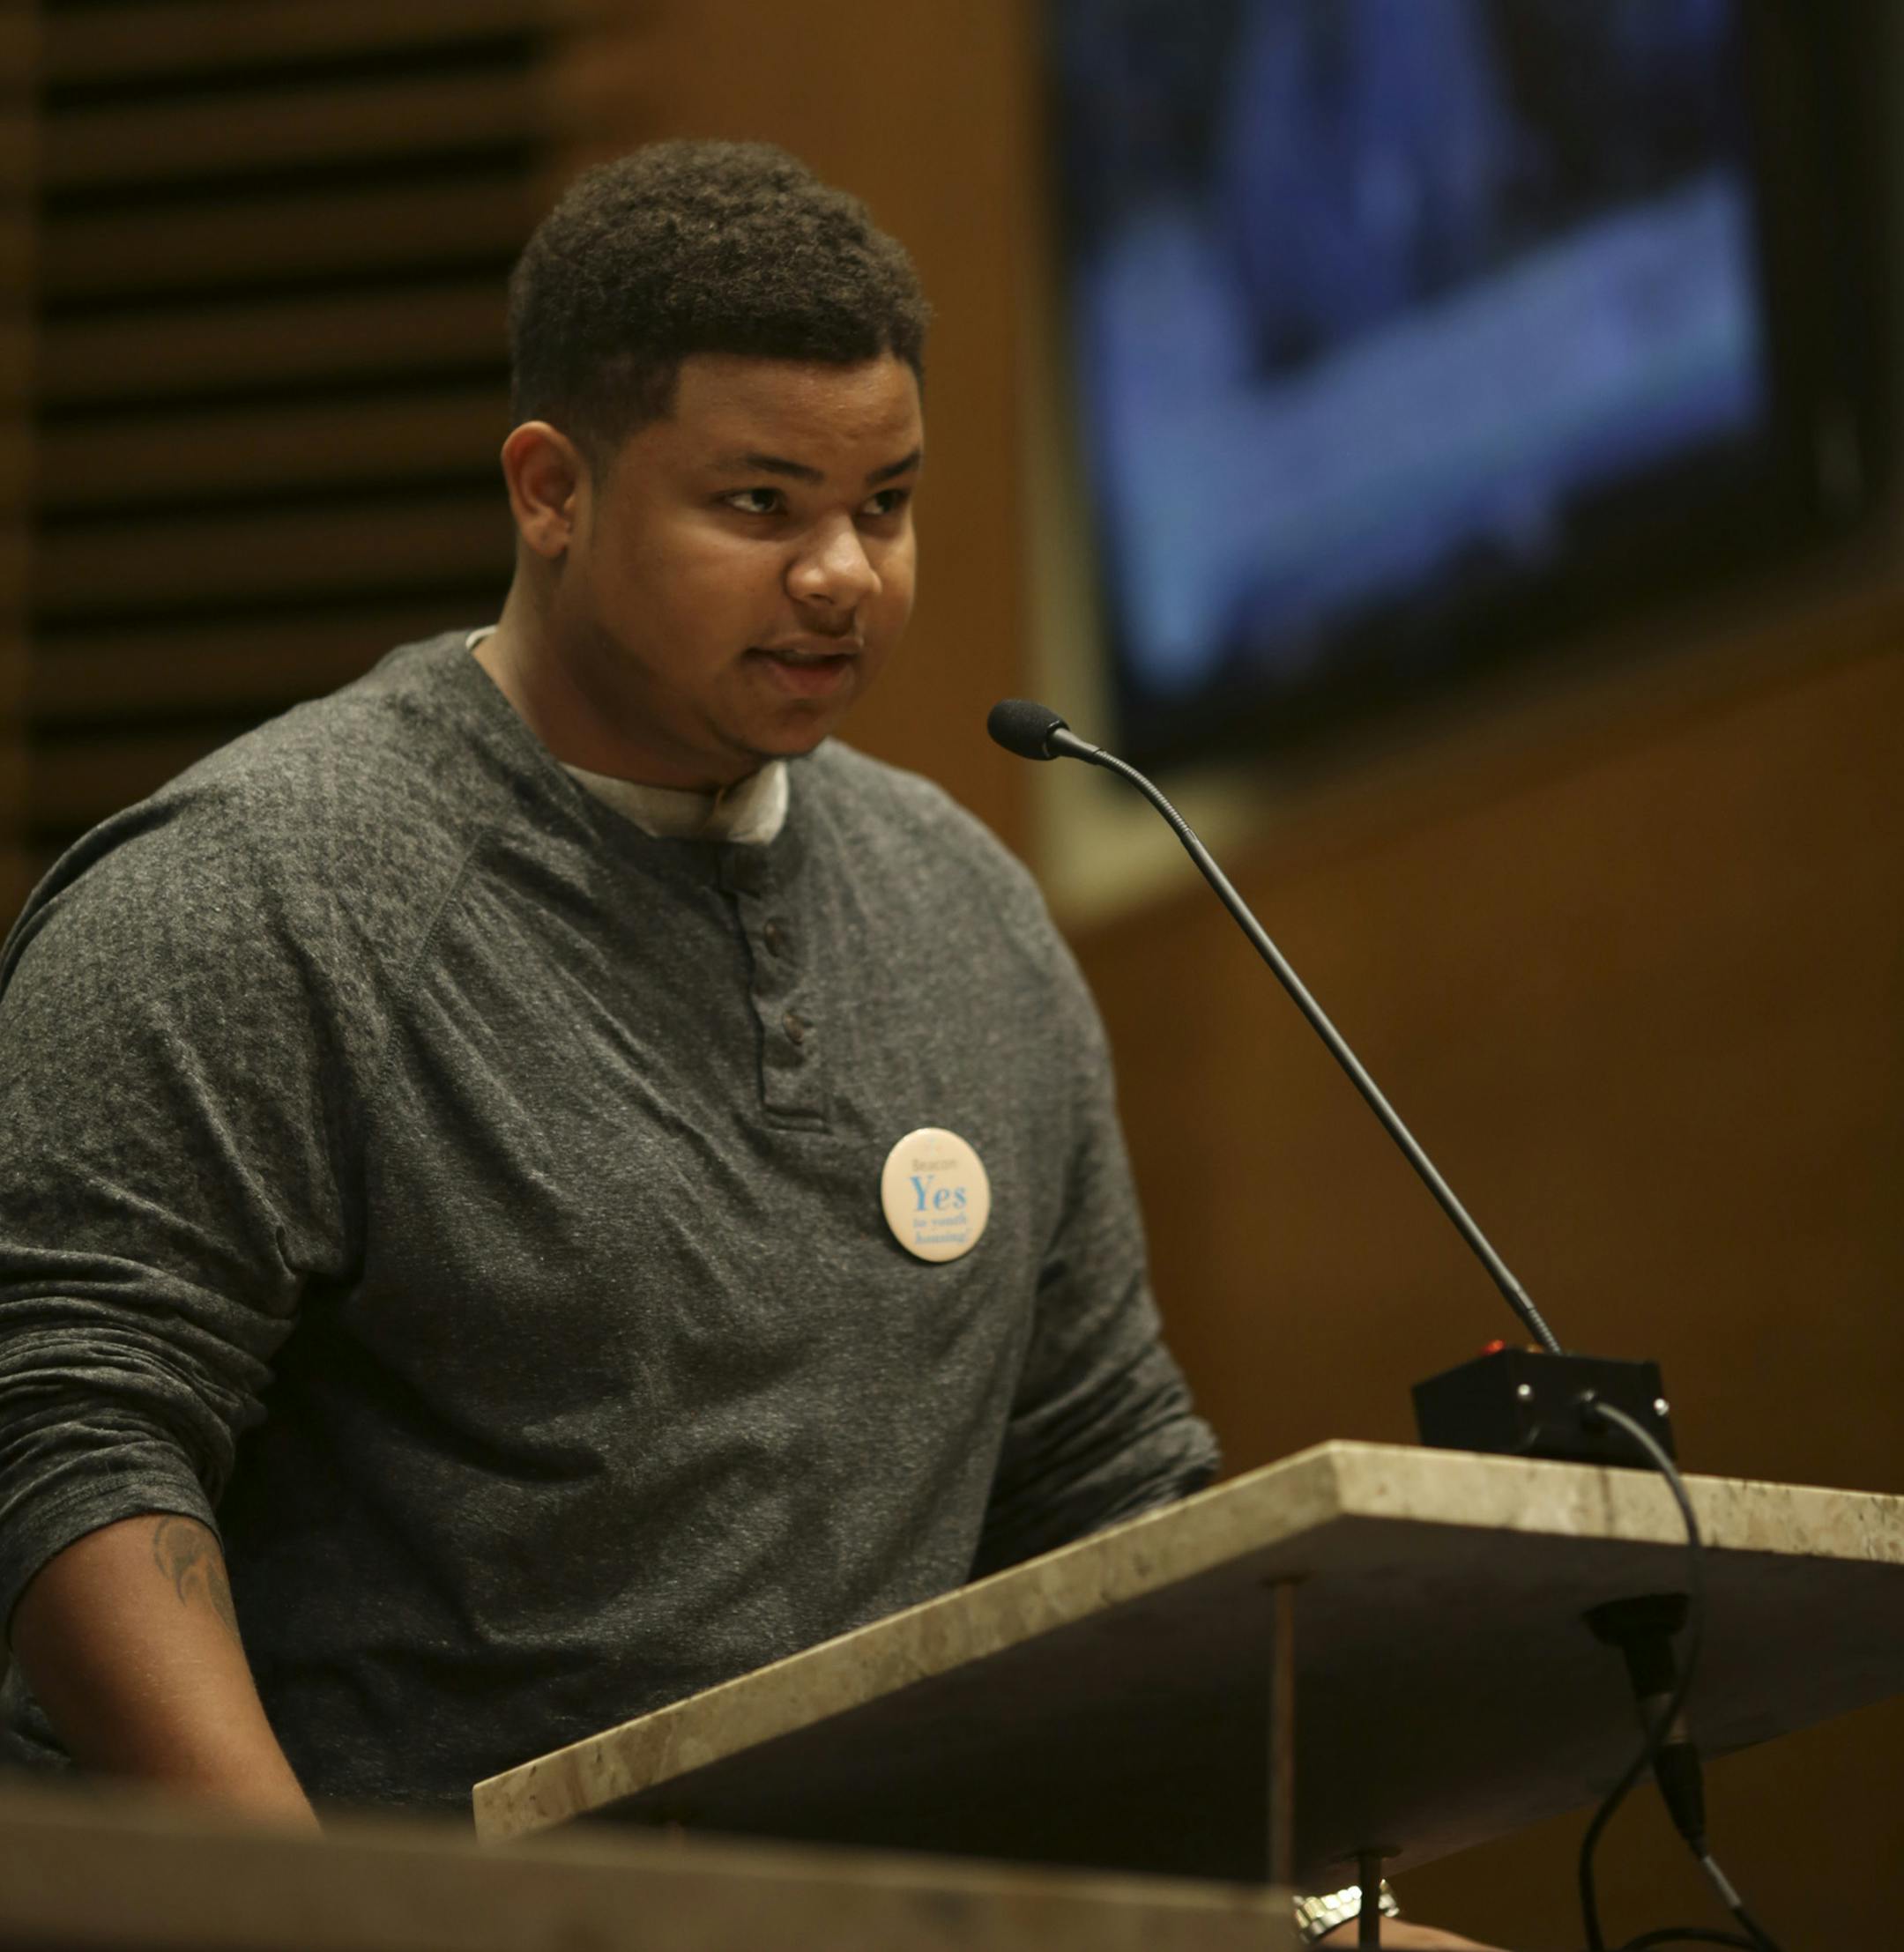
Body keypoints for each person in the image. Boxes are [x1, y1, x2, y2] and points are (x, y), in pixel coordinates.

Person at [0, 141, 1499, 1949]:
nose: (844, 576)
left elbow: (1101, 1498)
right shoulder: (258, 894)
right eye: (763, 505)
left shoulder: (972, 917)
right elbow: (70, 1443)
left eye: (888, 503)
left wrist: (1317, 1917)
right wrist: (321, 1921)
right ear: (552, 491)